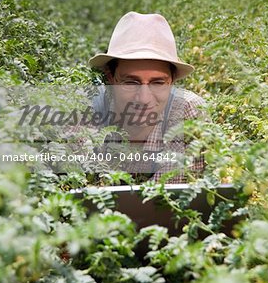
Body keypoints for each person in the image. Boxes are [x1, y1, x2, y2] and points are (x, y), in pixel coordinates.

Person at [88, 11, 206, 183]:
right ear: (111, 78)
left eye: (157, 83)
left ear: (172, 81)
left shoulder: (188, 111)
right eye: (131, 83)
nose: (143, 99)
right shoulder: (86, 108)